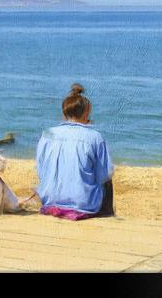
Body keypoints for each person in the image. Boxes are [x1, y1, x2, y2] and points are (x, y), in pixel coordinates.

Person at [34, 83, 114, 220]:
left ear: (64, 113)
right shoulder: (95, 137)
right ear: (86, 113)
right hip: (84, 204)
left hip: (49, 201)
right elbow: (104, 174)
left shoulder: (47, 134)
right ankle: (107, 214)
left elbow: (41, 170)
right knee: (107, 180)